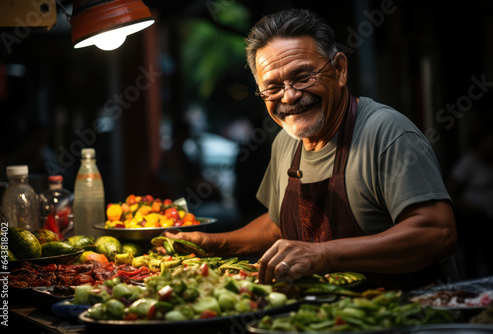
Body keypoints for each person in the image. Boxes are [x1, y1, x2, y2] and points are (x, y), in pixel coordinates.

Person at [165, 8, 458, 291]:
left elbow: (436, 233)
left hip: (403, 316)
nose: (290, 96)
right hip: (322, 317)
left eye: (303, 77)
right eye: (273, 87)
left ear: (339, 70)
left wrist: (325, 255)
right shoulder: (286, 141)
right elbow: (279, 225)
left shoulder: (386, 132)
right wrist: (213, 243)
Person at [446, 128, 493, 279]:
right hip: (473, 219)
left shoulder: (489, 163)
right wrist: (472, 207)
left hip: (489, 218)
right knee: (471, 258)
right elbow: (450, 192)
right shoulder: (469, 162)